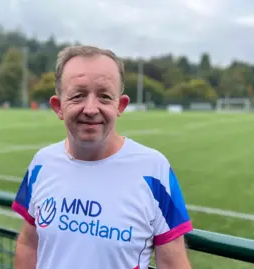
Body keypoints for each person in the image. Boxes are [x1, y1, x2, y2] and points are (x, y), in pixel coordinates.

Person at [11, 45, 193, 269]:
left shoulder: (155, 170)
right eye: (78, 96)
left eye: (104, 96)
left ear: (121, 105)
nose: (90, 109)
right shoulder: (42, 162)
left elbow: (173, 264)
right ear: (58, 107)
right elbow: (29, 244)